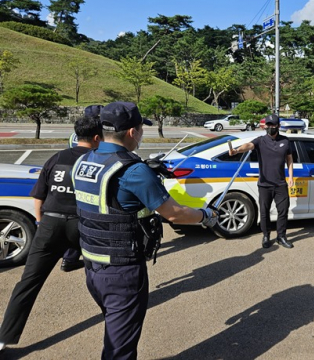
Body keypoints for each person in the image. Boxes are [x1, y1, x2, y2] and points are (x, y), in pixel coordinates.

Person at [71, 101, 218, 360]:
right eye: (141, 129)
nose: (141, 134)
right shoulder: (134, 170)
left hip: (92, 265)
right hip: (122, 271)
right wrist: (206, 216)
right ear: (132, 132)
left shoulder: (83, 161)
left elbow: (113, 203)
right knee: (120, 350)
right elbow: (175, 213)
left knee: (115, 334)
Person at [0, 115, 102, 353]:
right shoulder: (98, 161)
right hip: (84, 225)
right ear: (98, 137)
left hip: (50, 224)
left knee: (28, 282)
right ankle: (117, 318)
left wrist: (40, 222)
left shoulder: (56, 158)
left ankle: (3, 339)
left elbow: (39, 196)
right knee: (101, 276)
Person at [229, 114, 294, 249]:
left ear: (278, 126)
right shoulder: (260, 141)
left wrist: (291, 177)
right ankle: (266, 236)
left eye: (273, 125)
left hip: (280, 184)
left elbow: (289, 160)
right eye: (268, 125)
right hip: (265, 184)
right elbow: (248, 145)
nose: (270, 127)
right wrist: (237, 150)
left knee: (283, 211)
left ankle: (281, 236)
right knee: (264, 212)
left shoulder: (285, 141)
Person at [62, 104, 105, 271]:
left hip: (74, 172)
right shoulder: (96, 135)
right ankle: (75, 257)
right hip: (88, 173)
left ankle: (69, 257)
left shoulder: (76, 133)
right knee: (86, 218)